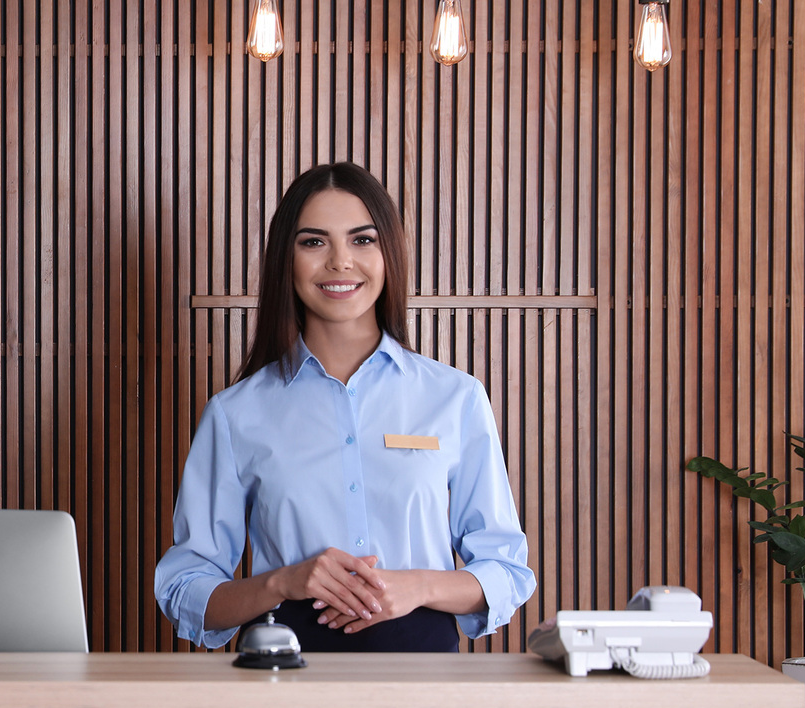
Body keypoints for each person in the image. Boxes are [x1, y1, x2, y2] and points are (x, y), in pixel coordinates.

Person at [154, 162, 535, 653]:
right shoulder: (235, 414)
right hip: (282, 680)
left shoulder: (455, 398)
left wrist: (418, 586)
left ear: (389, 253)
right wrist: (283, 583)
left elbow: (505, 569)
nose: (340, 262)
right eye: (314, 242)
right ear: (285, 261)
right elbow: (184, 588)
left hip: (427, 681)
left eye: (363, 240)